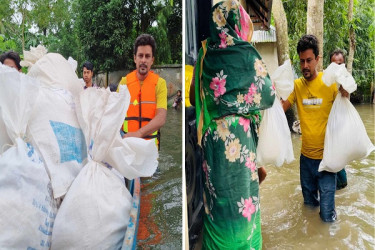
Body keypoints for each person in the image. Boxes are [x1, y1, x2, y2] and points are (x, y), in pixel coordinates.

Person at [191, 1, 274, 248]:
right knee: (244, 197)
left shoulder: (205, 54)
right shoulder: (246, 53)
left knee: (219, 200)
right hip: (242, 136)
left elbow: (195, 95)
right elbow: (267, 94)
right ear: (239, 24)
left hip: (214, 140)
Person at [282, 35, 349, 222]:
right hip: (306, 161)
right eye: (302, 61)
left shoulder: (330, 84)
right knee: (309, 209)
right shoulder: (296, 86)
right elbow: (281, 109)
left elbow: (345, 107)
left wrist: (346, 91)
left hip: (327, 160)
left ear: (317, 59)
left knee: (327, 216)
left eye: (309, 60)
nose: (305, 65)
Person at [117, 34, 167, 150]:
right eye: (140, 56)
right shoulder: (124, 83)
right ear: (135, 58)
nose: (143, 60)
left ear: (152, 60)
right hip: (127, 147)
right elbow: (115, 113)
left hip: (150, 150)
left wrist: (138, 133)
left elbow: (161, 118)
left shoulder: (160, 84)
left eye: (147, 56)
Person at [329, 49, 348, 190]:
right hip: (326, 129)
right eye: (334, 65)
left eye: (340, 64)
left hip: (340, 130)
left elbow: (346, 97)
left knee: (339, 164)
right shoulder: (325, 82)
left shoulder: (345, 83)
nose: (337, 67)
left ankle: (341, 186)